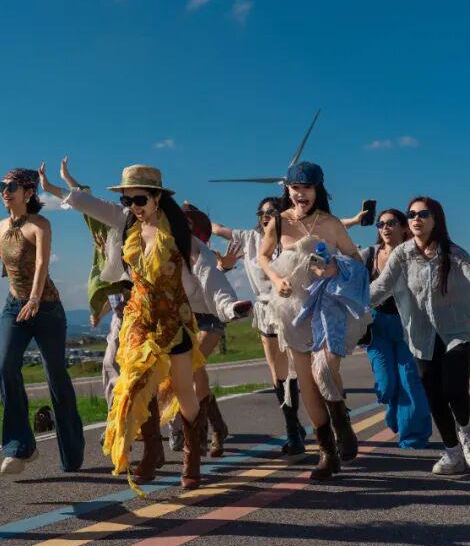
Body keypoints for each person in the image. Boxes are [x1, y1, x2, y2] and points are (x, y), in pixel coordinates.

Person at [40, 159, 245, 492]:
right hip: (138, 318)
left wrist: (228, 306)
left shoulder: (177, 233)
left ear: (157, 197)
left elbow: (207, 269)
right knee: (137, 384)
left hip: (172, 319)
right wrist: (54, 188)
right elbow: (91, 206)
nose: (132, 206)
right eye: (126, 199)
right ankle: (152, 451)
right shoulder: (126, 223)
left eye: (139, 199)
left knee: (183, 387)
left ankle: (192, 457)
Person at [370, 196, 470, 476]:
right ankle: (452, 452)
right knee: (434, 396)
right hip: (421, 336)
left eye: (423, 214)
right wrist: (347, 303)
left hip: (456, 332)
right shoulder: (402, 254)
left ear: (436, 220)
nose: (416, 219)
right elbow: (381, 287)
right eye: (412, 214)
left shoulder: (453, 254)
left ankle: (466, 433)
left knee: (455, 389)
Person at [0, 168, 85, 475]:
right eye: (1, 185)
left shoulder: (40, 225)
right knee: (5, 368)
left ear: (28, 192)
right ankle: (19, 447)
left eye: (11, 186)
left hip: (46, 308)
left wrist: (35, 298)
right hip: (15, 308)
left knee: (56, 377)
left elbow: (41, 264)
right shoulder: (2, 226)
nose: (5, 191)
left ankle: (72, 453)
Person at [259, 161, 367, 480]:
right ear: (288, 190)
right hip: (293, 310)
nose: (301, 194)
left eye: (307, 188)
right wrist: (276, 279)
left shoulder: (331, 224)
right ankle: (326, 453)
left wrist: (336, 268)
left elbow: (357, 261)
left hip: (328, 308)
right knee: (306, 383)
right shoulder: (279, 222)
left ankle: (342, 424)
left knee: (325, 369)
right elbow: (263, 256)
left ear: (317, 190)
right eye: (295, 188)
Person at [212, 197, 309, 456]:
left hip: (292, 307)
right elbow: (217, 228)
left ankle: (310, 425)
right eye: (261, 212)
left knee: (296, 370)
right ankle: (292, 428)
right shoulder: (249, 238)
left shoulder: (292, 236)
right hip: (266, 310)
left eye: (272, 211)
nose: (266, 216)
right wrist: (190, 215)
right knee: (278, 372)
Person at [166, 203, 251, 458]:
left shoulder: (203, 251)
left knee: (193, 365)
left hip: (211, 317)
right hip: (188, 318)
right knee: (193, 370)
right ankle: (216, 428)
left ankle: (202, 432)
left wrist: (225, 267)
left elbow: (212, 280)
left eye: (187, 221)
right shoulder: (168, 248)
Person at [359, 209, 432, 449]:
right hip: (376, 327)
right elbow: (347, 274)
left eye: (391, 223)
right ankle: (393, 407)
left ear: (404, 228)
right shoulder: (368, 255)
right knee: (387, 384)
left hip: (407, 326)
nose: (385, 228)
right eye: (380, 224)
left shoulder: (416, 255)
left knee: (409, 380)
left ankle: (414, 436)